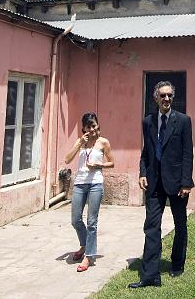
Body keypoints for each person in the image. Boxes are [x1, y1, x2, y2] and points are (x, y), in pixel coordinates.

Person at [129, 81, 194, 289]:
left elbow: (187, 154)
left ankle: (177, 263)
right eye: (163, 96)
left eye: (169, 96)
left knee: (180, 225)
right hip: (154, 183)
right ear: (155, 98)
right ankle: (150, 275)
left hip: (177, 183)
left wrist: (186, 182)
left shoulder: (183, 121)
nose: (166, 99)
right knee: (151, 226)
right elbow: (146, 152)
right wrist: (142, 173)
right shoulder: (148, 122)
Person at [63, 112, 114, 272]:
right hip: (79, 184)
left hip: (95, 184)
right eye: (89, 127)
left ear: (98, 125)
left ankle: (89, 255)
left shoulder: (103, 142)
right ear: (84, 128)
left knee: (92, 222)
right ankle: (85, 245)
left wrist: (98, 166)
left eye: (94, 125)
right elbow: (67, 159)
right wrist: (79, 144)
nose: (93, 129)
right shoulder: (80, 142)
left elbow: (112, 163)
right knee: (75, 219)